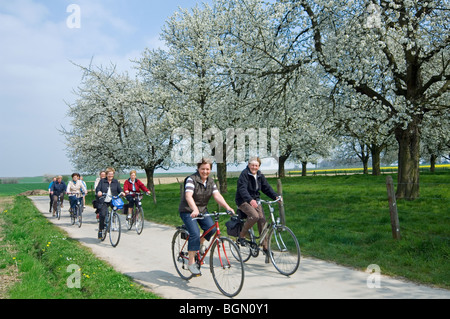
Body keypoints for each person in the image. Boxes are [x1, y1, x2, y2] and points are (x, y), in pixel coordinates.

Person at [178, 158, 235, 276]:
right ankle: (191, 262)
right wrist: (194, 209)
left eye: (207, 169)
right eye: (202, 169)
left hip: (202, 210)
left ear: (210, 170)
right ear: (198, 169)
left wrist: (227, 207)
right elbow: (188, 196)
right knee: (194, 232)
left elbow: (217, 195)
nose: (205, 171)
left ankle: (199, 243)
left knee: (212, 229)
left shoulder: (210, 181)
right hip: (188, 210)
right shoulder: (191, 179)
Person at [235, 157, 281, 263]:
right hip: (243, 200)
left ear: (259, 166)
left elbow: (266, 187)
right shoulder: (244, 174)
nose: (254, 167)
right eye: (252, 165)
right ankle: (241, 235)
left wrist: (275, 197)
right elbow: (242, 189)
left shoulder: (259, 175)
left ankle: (265, 248)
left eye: (256, 165)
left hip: (255, 200)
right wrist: (250, 200)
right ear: (248, 164)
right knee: (254, 216)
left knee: (262, 220)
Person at [95, 168, 125, 239]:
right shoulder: (102, 181)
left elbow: (119, 189)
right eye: (109, 174)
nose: (110, 175)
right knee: (102, 214)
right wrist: (99, 192)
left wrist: (122, 192)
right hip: (104, 200)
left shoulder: (115, 181)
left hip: (113, 200)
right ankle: (101, 230)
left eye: (112, 174)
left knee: (115, 210)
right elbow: (98, 189)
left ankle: (112, 221)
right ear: (106, 174)